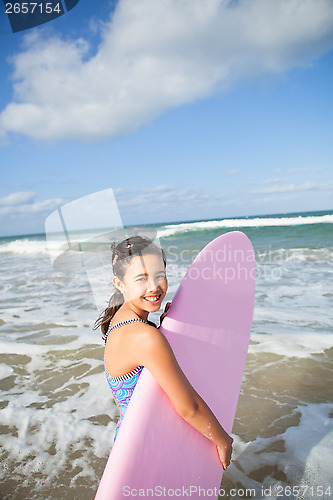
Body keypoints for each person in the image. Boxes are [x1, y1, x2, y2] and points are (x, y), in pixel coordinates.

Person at [94, 235, 233, 470]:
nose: (154, 287)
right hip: (148, 450)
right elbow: (189, 408)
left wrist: (162, 330)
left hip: (129, 443)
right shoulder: (144, 336)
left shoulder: (121, 323)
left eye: (160, 275)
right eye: (142, 278)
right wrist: (223, 440)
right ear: (120, 283)